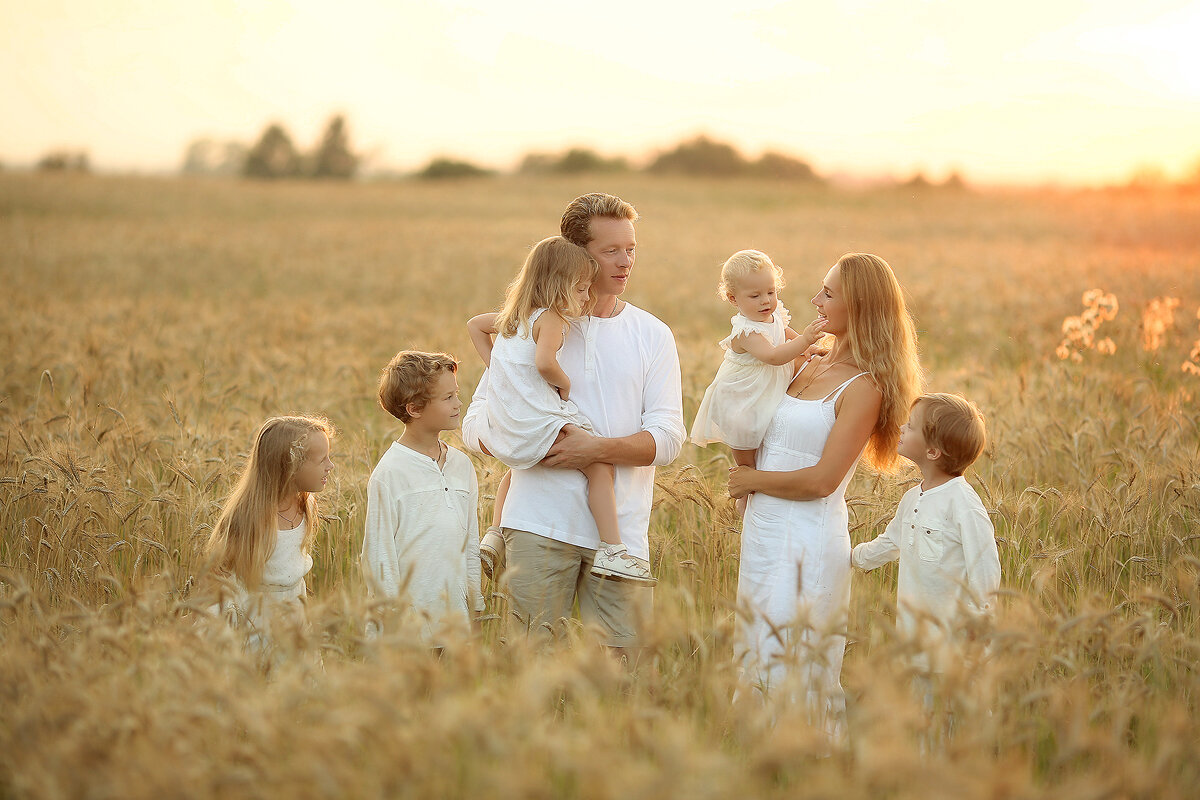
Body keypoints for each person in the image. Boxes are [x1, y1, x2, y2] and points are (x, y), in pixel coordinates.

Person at [460, 192, 685, 649]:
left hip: (619, 539)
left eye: (631, 248)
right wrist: (529, 442)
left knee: (626, 670)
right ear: (576, 256)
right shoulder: (528, 326)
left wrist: (594, 450)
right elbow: (474, 426)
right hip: (536, 527)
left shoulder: (653, 335)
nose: (625, 262)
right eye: (611, 251)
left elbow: (668, 438)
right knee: (532, 667)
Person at [727, 252, 923, 741]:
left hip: (808, 541)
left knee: (793, 661)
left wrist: (751, 482)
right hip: (764, 533)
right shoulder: (805, 363)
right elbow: (753, 421)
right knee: (755, 651)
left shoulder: (864, 388)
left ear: (860, 307)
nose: (815, 300)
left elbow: (822, 480)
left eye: (828, 293)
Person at [466, 235, 654, 585]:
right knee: (600, 467)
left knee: (518, 467)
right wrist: (564, 383)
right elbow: (544, 363)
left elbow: (475, 325)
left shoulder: (515, 318)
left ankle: (494, 533)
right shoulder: (552, 319)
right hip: (538, 420)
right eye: (581, 289)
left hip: (512, 427)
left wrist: (497, 369)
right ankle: (613, 549)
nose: (586, 297)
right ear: (558, 288)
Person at [851, 393, 1001, 691]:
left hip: (955, 649)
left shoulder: (963, 504)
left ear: (932, 452)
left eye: (911, 425)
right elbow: (890, 542)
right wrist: (851, 556)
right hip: (915, 642)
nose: (901, 428)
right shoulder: (912, 498)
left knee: (952, 727)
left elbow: (985, 572)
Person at [361, 351, 485, 646]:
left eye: (457, 394)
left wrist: (475, 605)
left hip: (454, 624)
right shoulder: (390, 473)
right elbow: (378, 557)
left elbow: (470, 542)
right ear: (415, 408)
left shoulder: (461, 465)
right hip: (407, 630)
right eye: (448, 398)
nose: (459, 403)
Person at [205, 415, 335, 652]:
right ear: (290, 466)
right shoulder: (248, 518)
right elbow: (222, 579)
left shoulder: (307, 506)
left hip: (294, 619)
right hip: (256, 624)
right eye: (321, 459)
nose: (330, 465)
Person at [690, 249, 828, 472]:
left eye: (771, 292)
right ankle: (745, 488)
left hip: (766, 390)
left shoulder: (773, 314)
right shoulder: (746, 332)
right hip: (744, 398)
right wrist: (805, 340)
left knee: (768, 447)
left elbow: (784, 332)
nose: (766, 301)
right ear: (733, 299)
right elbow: (772, 356)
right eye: (755, 296)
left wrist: (808, 346)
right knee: (747, 454)